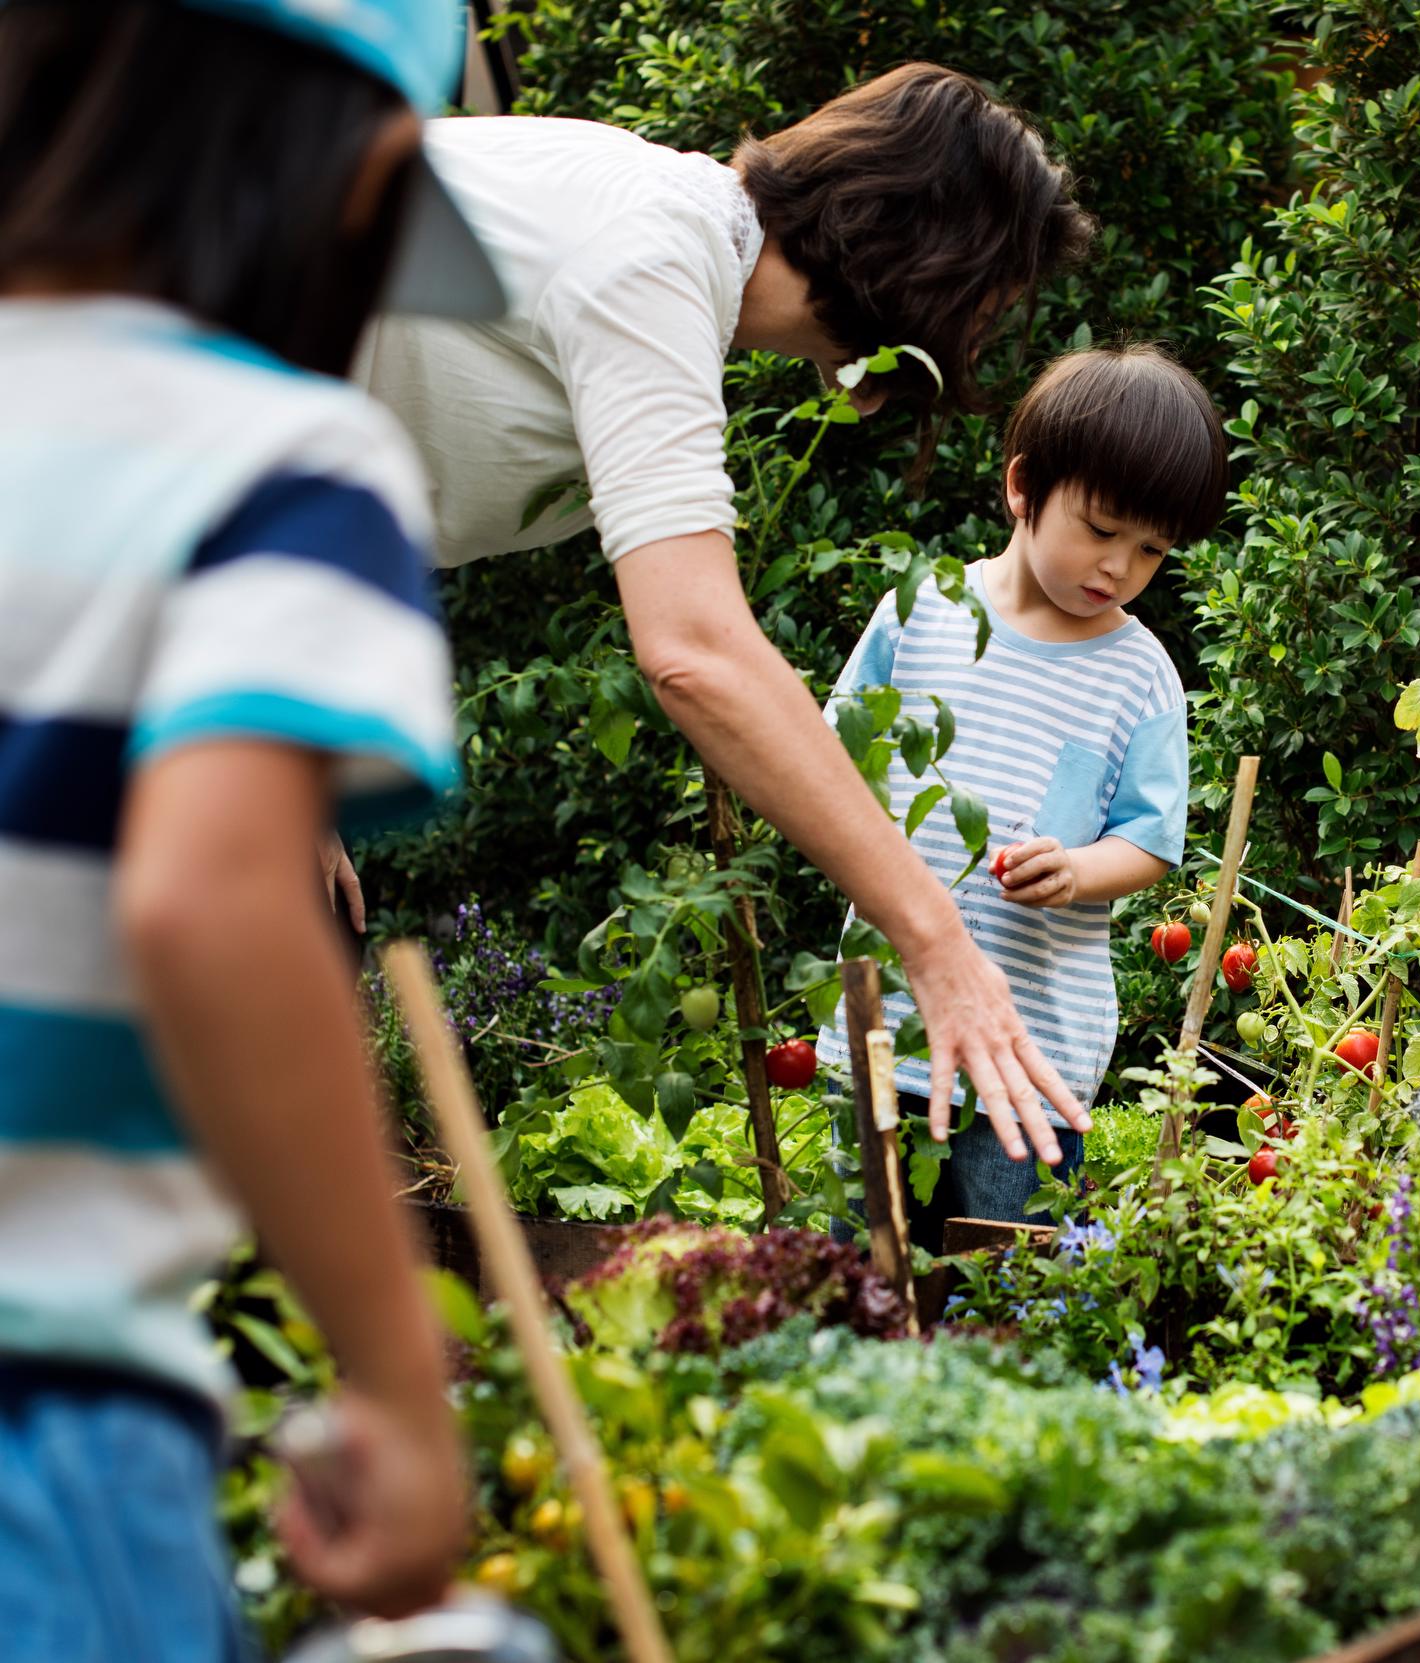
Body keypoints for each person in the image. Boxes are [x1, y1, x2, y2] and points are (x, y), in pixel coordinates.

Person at [0, 0, 496, 1639]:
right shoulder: (282, 468)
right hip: (48, 1434)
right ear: (365, 185)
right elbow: (210, 903)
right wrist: (401, 1382)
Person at [355, 67, 1097, 1162]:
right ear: (923, 264)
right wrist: (936, 941)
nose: (974, 342)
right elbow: (696, 650)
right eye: (985, 302)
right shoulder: (654, 254)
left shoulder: (653, 222)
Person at [817, 345, 1222, 1236]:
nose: (1119, 567)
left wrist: (1077, 869)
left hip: (1029, 1057)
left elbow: (1149, 841)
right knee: (863, 1272)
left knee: (1009, 1285)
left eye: (1151, 549)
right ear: (1023, 487)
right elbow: (829, 760)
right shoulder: (922, 611)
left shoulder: (1140, 676)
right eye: (1103, 528)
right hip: (887, 1023)